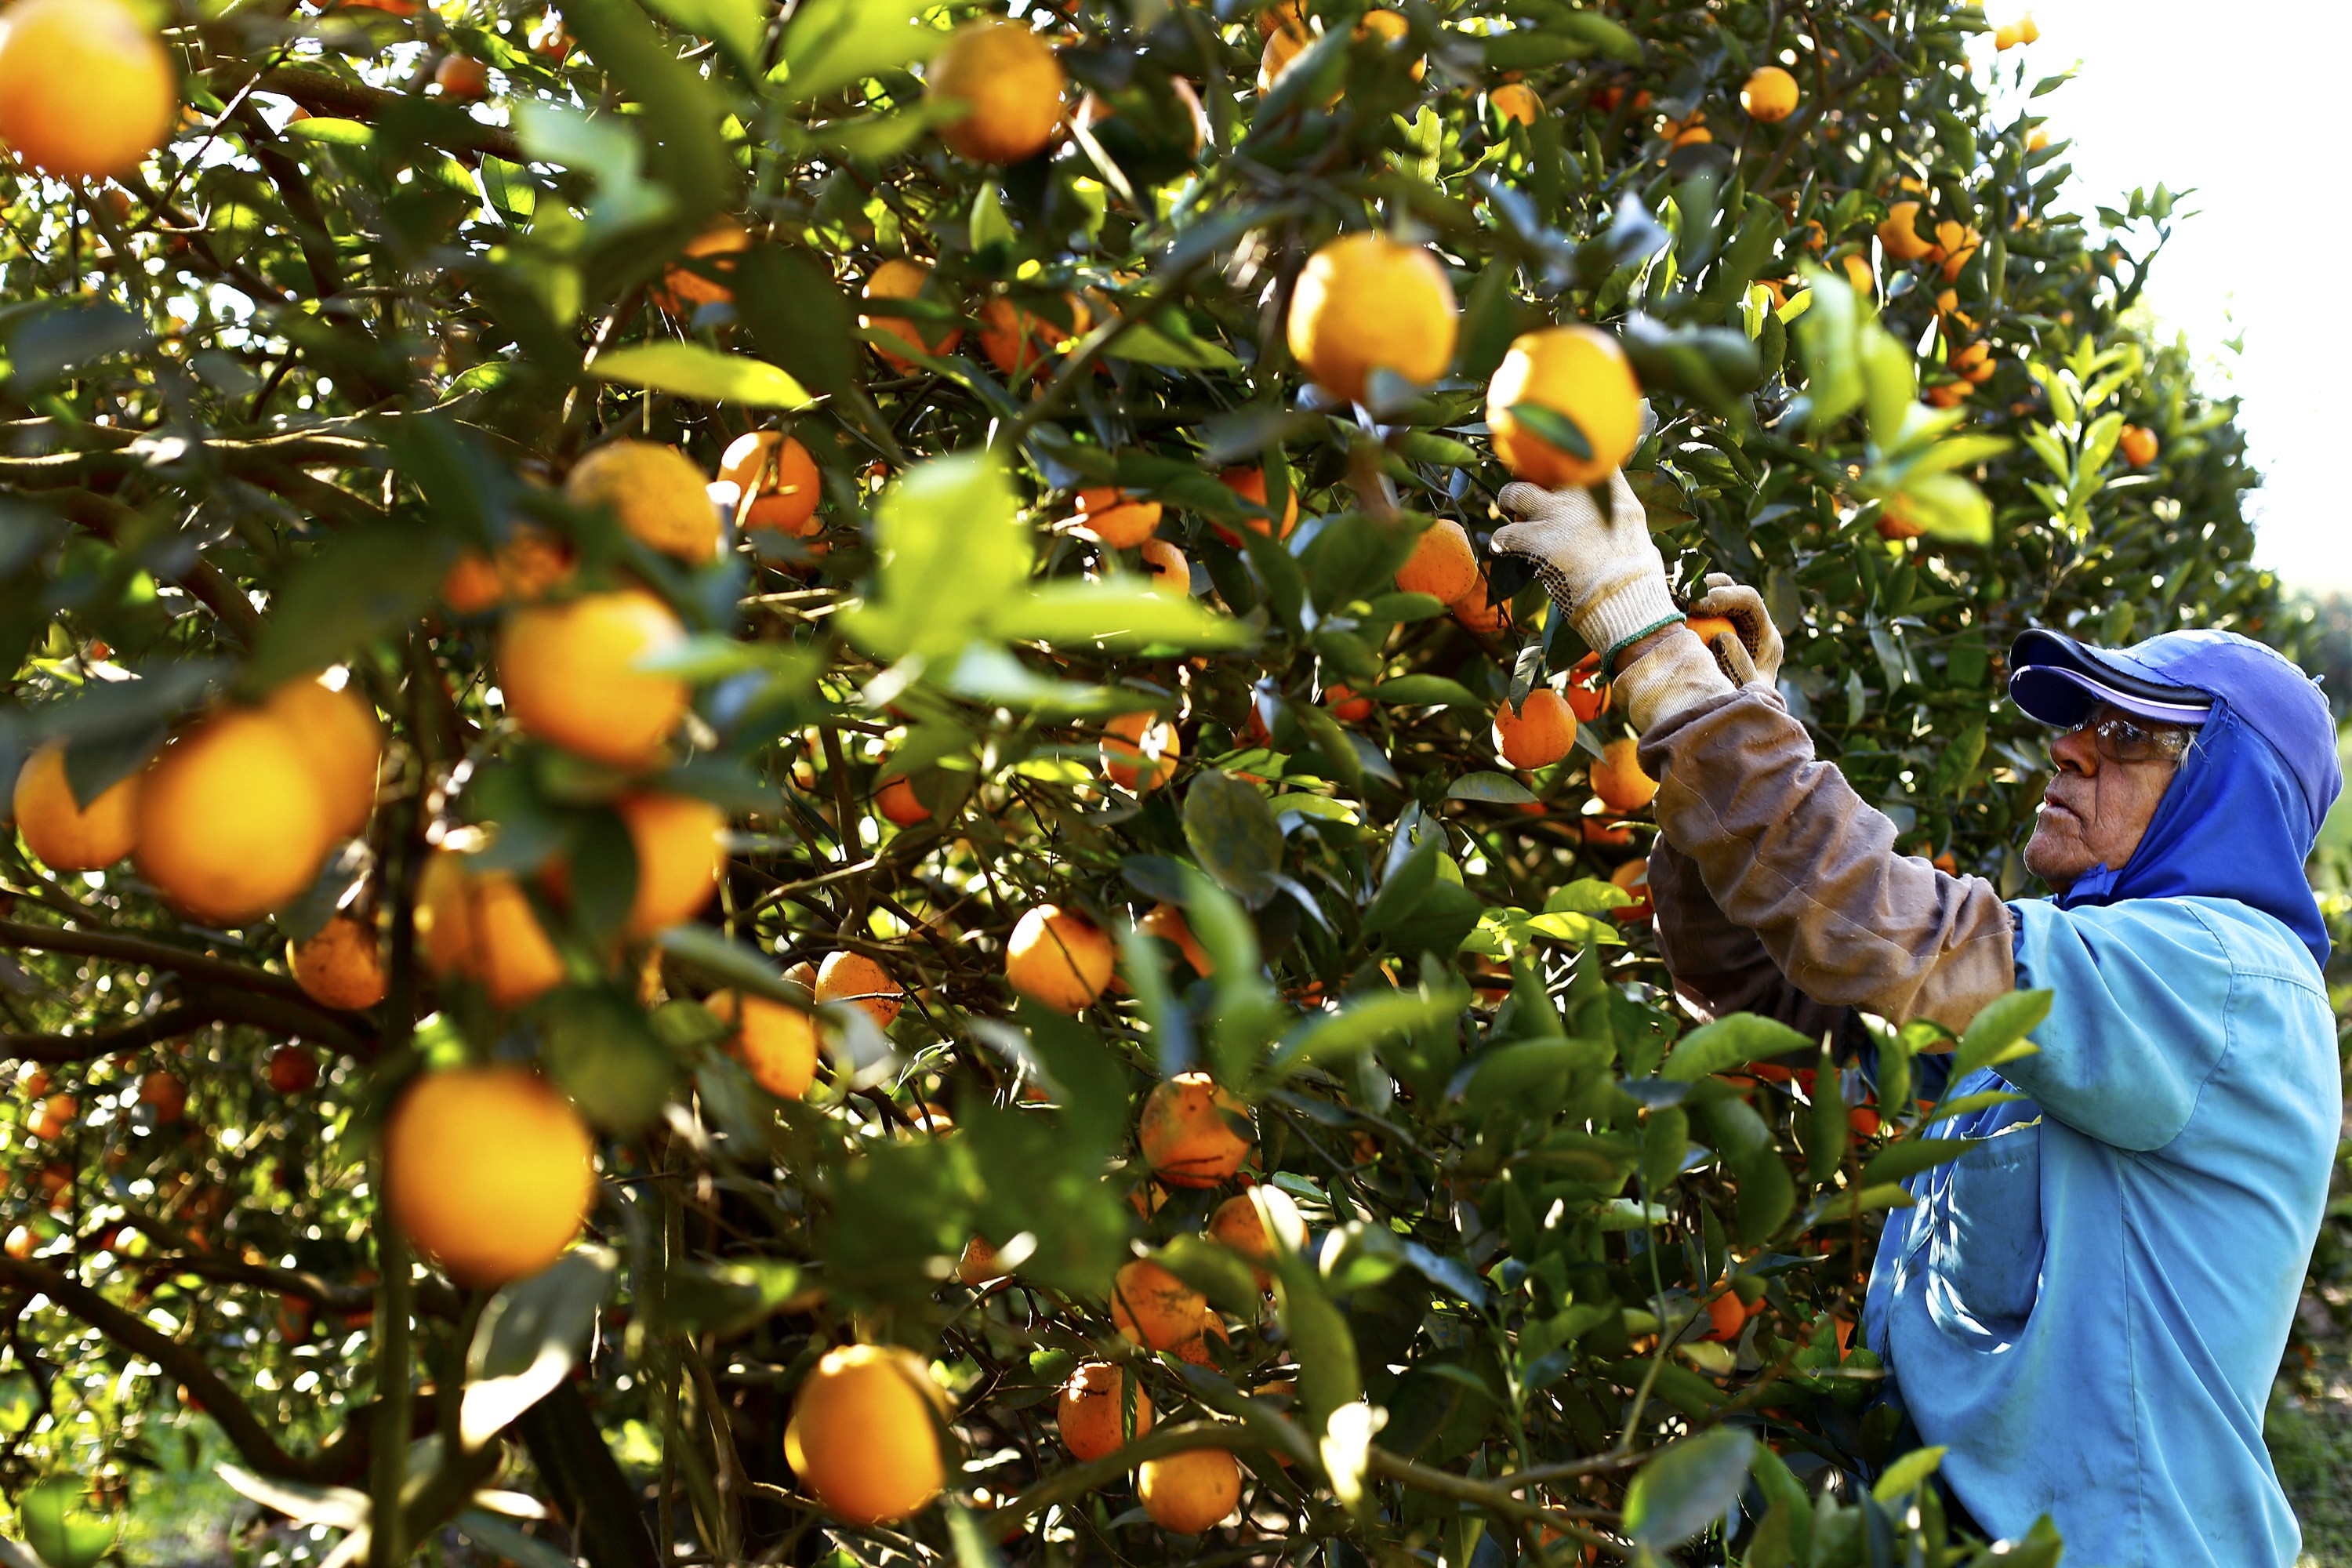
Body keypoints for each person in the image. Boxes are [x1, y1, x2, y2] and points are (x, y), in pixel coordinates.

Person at [1493, 471, 2342, 1567]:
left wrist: (1646, 635)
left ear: (2229, 795)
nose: (2072, 748)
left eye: (2132, 736)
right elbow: (1777, 989)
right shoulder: (2086, 994)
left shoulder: (2217, 981)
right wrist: (1738, 723)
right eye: (2077, 722)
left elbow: (1863, 915)